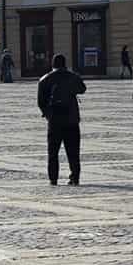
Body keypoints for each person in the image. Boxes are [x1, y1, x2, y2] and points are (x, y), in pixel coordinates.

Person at [37, 54, 87, 186]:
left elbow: (41, 102)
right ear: (65, 64)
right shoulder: (72, 76)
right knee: (73, 151)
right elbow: (82, 89)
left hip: (55, 120)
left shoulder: (45, 79)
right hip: (71, 119)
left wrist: (48, 114)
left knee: (53, 151)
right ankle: (75, 177)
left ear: (53, 64)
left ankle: (53, 178)